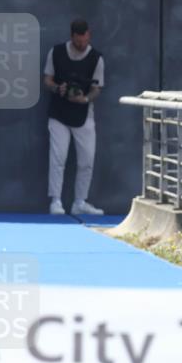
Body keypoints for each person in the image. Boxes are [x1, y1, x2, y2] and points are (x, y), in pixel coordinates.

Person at [43, 18, 105, 215]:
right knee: (57, 158)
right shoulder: (56, 52)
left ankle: (80, 202)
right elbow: (47, 79)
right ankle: (56, 201)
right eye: (78, 41)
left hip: (84, 114)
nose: (82, 44)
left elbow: (97, 89)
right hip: (58, 113)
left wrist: (84, 99)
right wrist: (57, 88)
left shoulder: (96, 58)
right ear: (72, 36)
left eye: (85, 41)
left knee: (87, 160)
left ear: (89, 35)